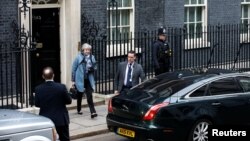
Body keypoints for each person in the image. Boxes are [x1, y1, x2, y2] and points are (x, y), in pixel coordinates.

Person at [35, 67, 72, 141]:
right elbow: (69, 101)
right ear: (53, 75)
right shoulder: (61, 87)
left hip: (46, 120)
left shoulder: (38, 89)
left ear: (43, 76)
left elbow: (37, 104)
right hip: (61, 120)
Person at [71, 43, 98, 118]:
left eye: (88, 50)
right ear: (83, 50)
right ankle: (79, 109)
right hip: (80, 79)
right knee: (80, 94)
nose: (87, 51)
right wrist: (73, 80)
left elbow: (95, 66)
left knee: (89, 95)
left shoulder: (92, 57)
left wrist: (92, 68)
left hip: (88, 79)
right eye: (86, 50)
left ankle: (93, 112)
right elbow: (73, 69)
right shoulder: (78, 58)